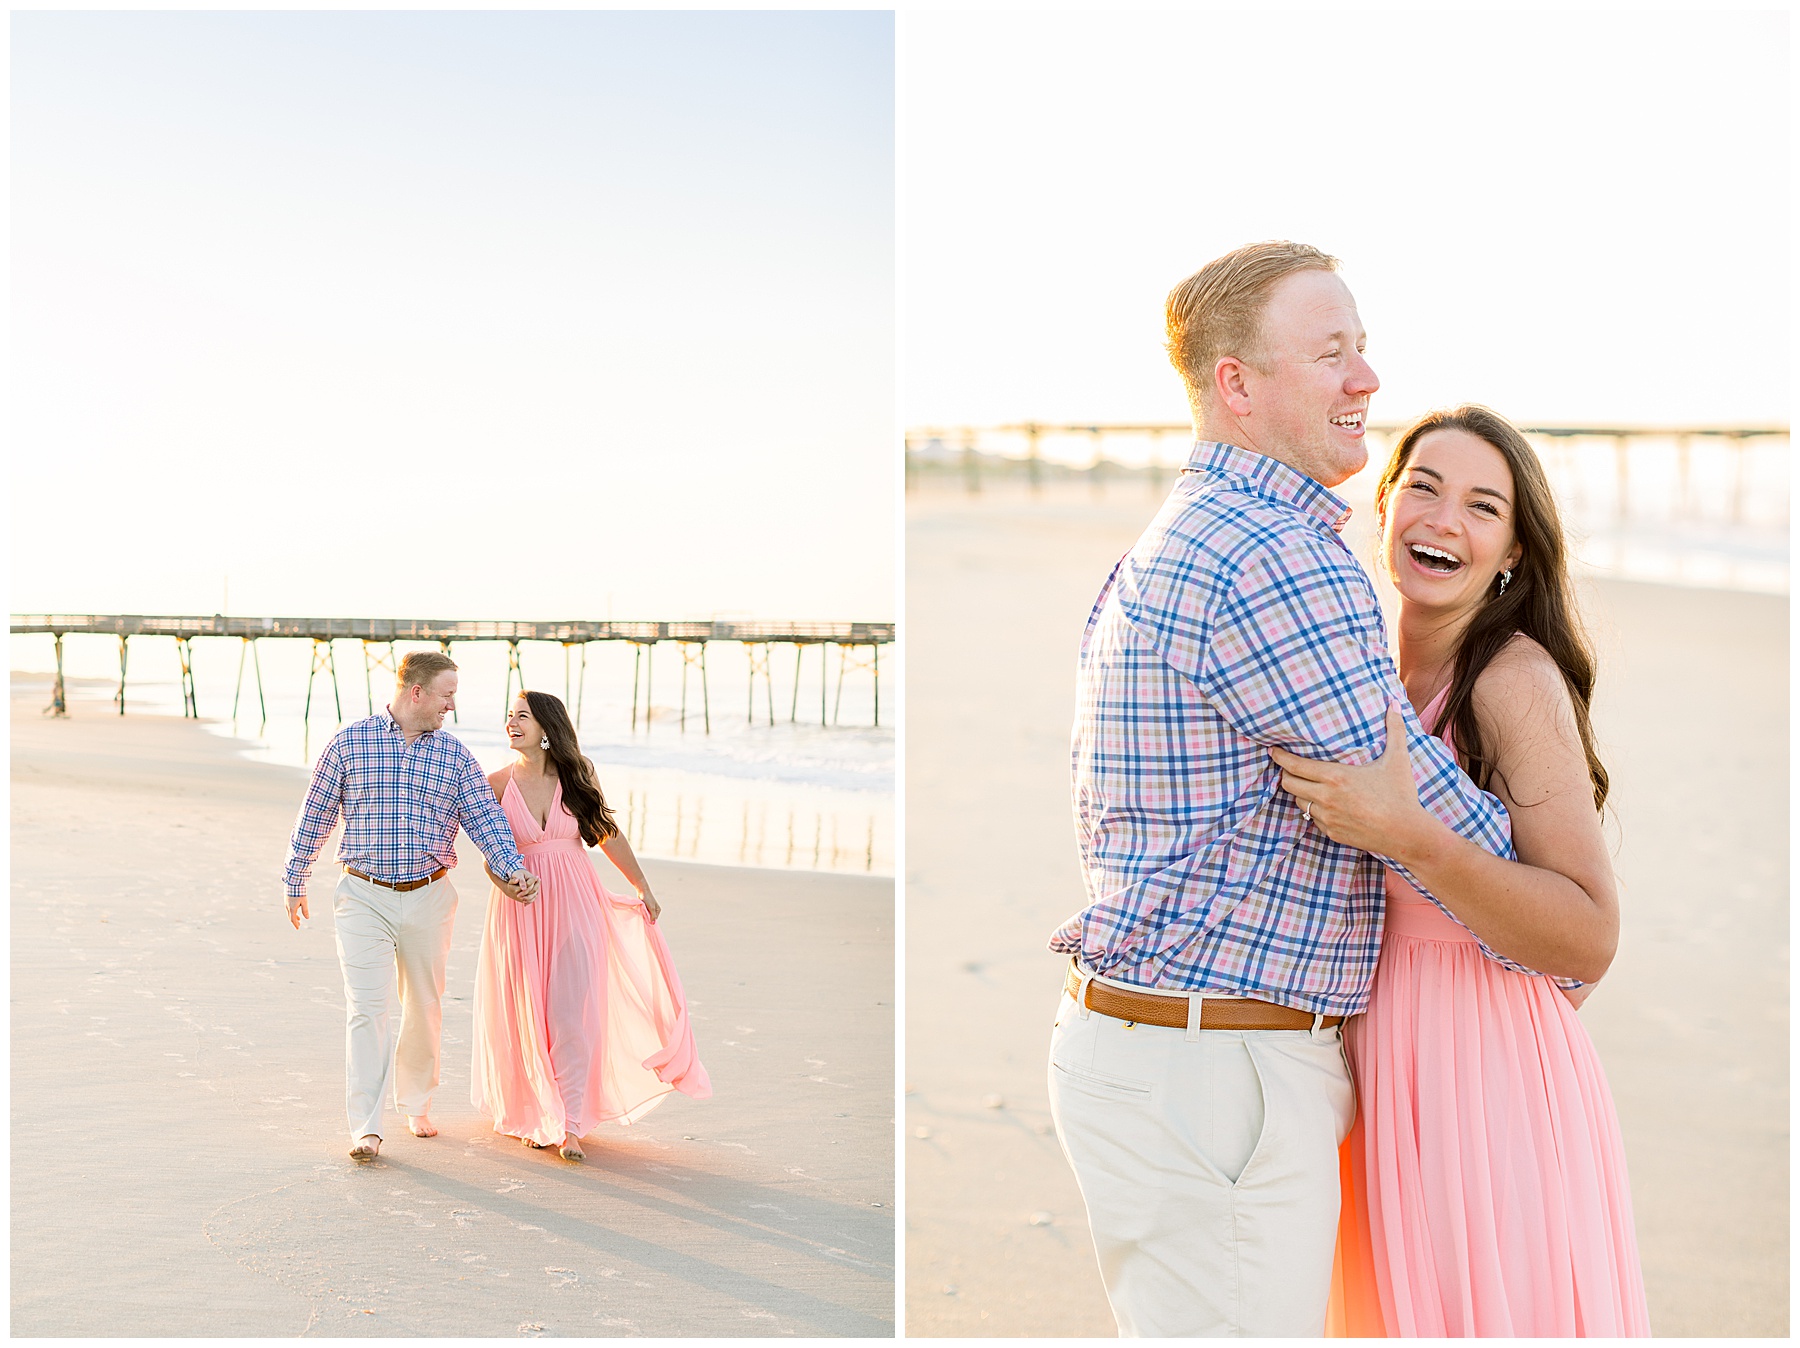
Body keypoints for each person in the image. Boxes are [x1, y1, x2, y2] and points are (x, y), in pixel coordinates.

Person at [1047, 241, 1541, 1336]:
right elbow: (1454, 838)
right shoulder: (1274, 556)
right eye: (1330, 353)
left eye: (1362, 349)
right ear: (1238, 384)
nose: (1366, 379)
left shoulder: (1189, 533)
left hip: (1177, 1058)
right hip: (1219, 1074)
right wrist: (1560, 903)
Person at [1270, 406, 1650, 1335]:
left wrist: (1411, 836)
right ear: (1385, 505)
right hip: (1368, 1059)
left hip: (1483, 1080)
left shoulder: (1510, 679)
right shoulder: (1359, 669)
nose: (1445, 520)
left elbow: (1590, 932)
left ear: (1513, 554)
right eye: (1425, 489)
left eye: (1484, 507)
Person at [284, 650, 540, 1161]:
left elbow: (485, 822)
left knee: (423, 1007)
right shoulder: (349, 742)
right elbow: (315, 815)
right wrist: (296, 879)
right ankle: (366, 1127)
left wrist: (511, 870)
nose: (452, 706)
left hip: (429, 894)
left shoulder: (456, 757)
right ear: (417, 692)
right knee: (369, 1009)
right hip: (361, 895)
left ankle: (417, 1102)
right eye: (447, 694)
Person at [471, 690, 709, 1161]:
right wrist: (505, 885)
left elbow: (605, 832)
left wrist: (642, 884)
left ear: (546, 728)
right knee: (527, 1015)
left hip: (577, 901)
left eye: (522, 716)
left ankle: (572, 1122)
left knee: (570, 1013)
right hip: (520, 909)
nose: (511, 723)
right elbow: (489, 855)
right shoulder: (495, 784)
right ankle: (539, 1111)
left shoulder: (578, 775)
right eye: (509, 716)